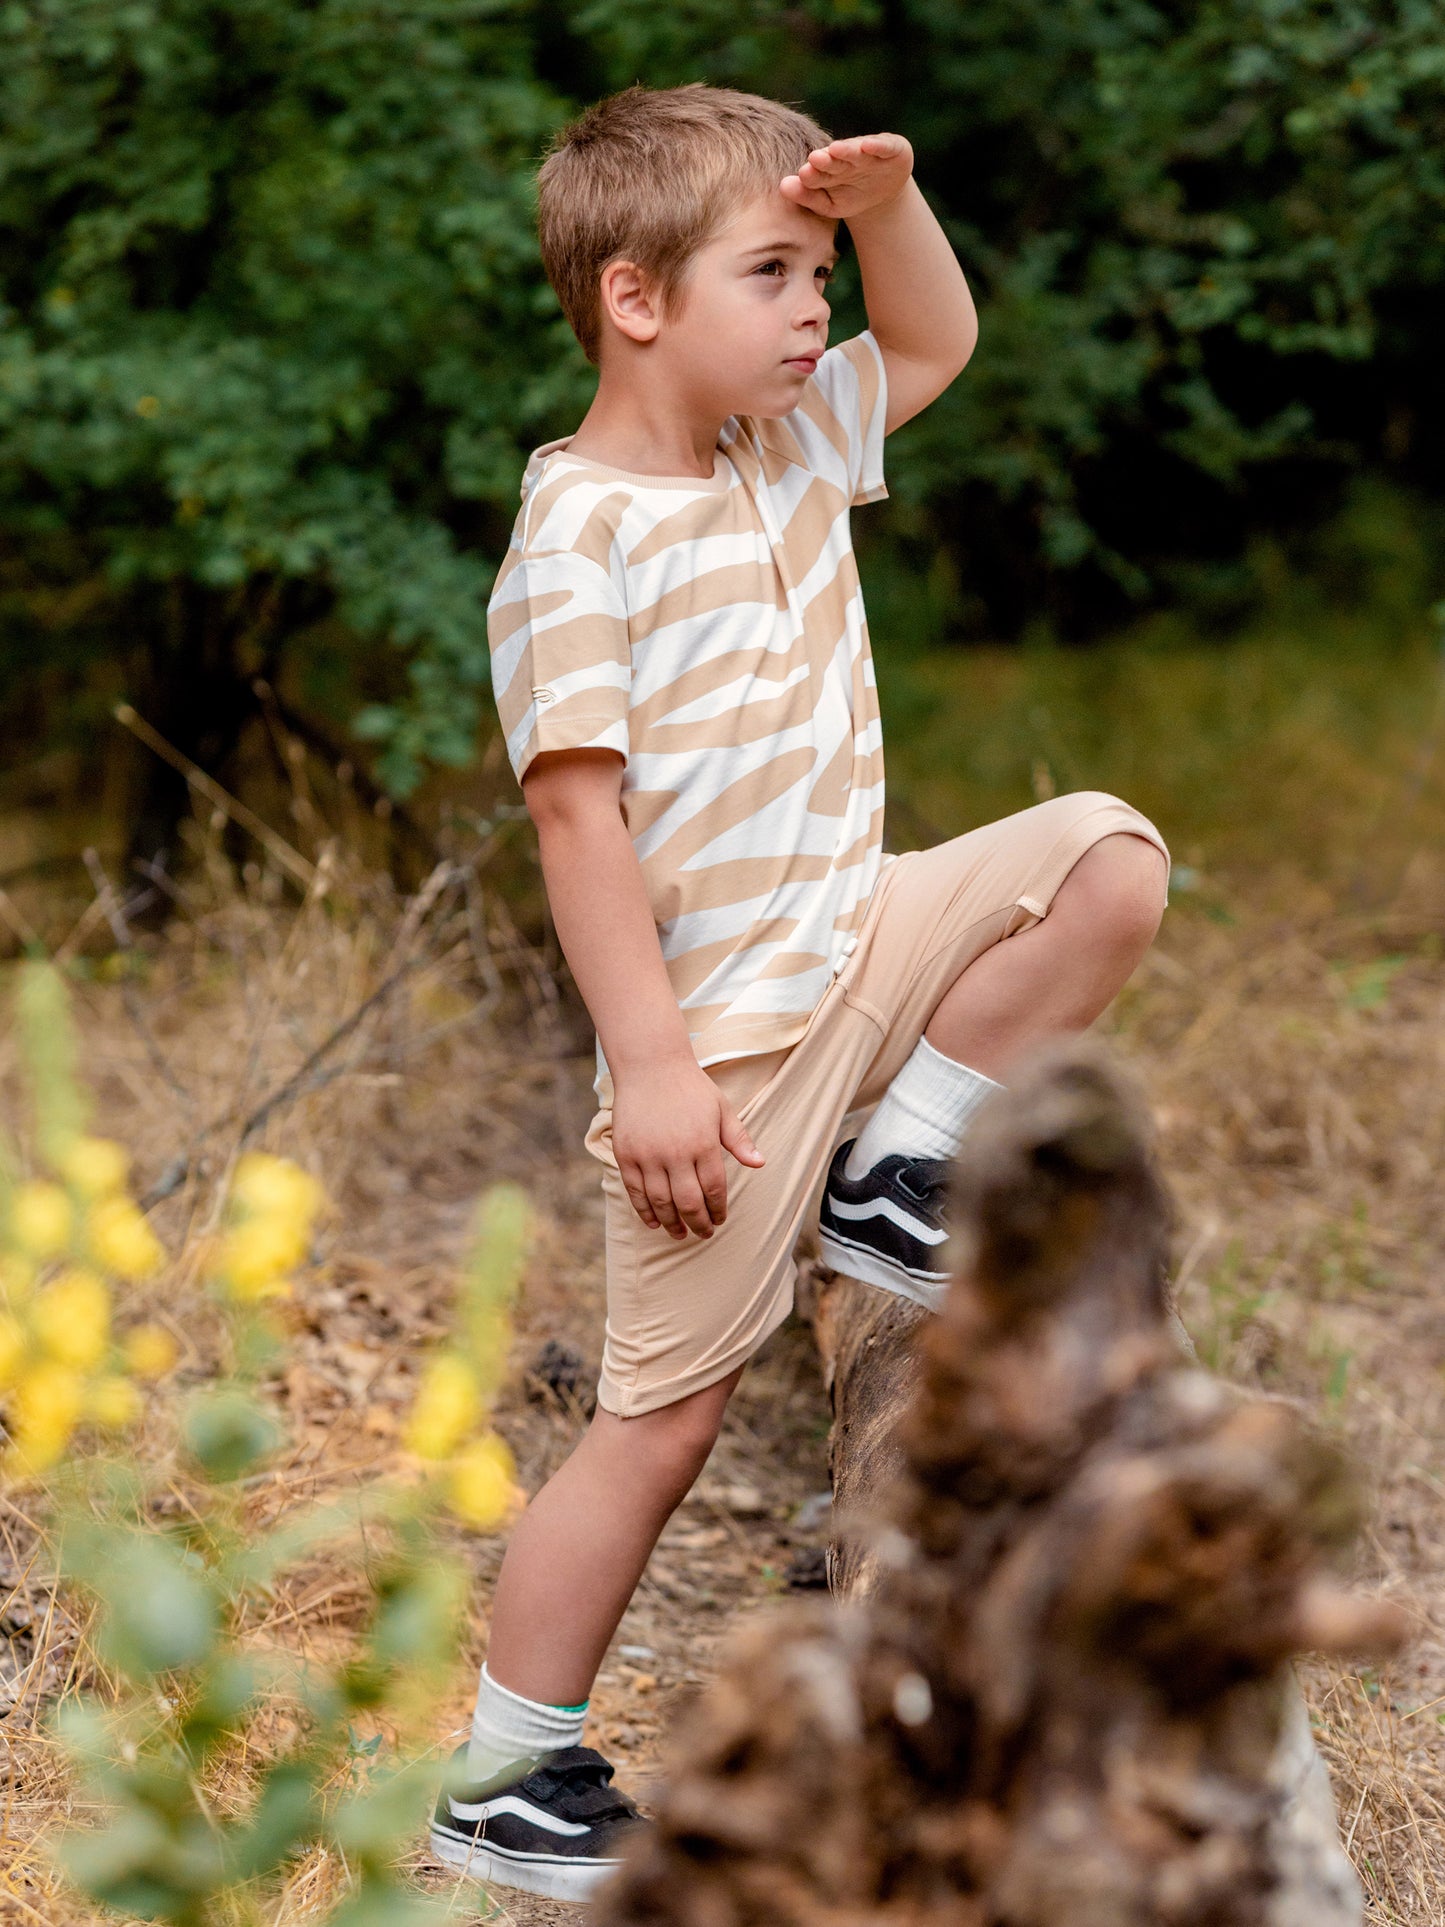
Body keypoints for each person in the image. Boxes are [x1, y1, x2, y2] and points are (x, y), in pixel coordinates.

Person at [429, 82, 1169, 1900]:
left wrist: (889, 201)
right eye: (771, 271)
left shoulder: (790, 448)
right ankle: (505, 1776)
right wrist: (655, 1071)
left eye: (813, 273)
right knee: (658, 1426)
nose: (812, 308)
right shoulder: (578, 535)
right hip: (728, 1046)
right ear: (633, 298)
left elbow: (940, 332)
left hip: (870, 941)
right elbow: (576, 823)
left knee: (1105, 856)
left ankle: (900, 1163)